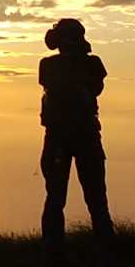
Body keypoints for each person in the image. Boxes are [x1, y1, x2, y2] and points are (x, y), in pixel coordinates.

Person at [38, 18, 114, 253]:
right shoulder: (89, 64)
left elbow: (87, 89)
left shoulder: (53, 65)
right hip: (80, 136)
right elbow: (91, 88)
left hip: (64, 138)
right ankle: (106, 252)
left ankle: (54, 254)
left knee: (60, 198)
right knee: (93, 199)